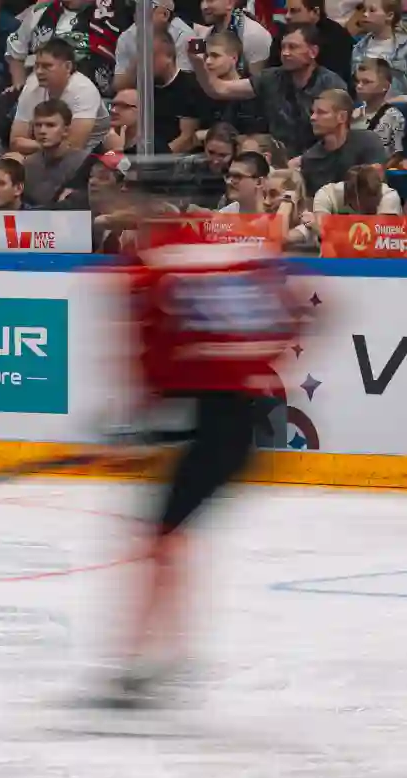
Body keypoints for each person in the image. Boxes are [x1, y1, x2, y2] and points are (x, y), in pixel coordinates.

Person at [87, 165, 304, 708]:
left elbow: (151, 362)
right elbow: (291, 315)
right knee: (165, 538)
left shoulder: (151, 270)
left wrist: (133, 425)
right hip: (240, 418)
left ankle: (148, 660)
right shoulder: (227, 254)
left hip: (221, 423)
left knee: (161, 538)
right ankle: (159, 656)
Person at [189, 23, 347, 157]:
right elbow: (218, 90)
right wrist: (197, 63)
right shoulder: (271, 77)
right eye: (283, 47)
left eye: (293, 47)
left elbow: (339, 134)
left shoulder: (331, 84)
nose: (285, 53)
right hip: (277, 160)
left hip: (319, 160)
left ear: (313, 52)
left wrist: (304, 161)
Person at [113, 0, 193, 93]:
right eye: (136, 8)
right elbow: (118, 85)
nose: (136, 14)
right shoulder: (127, 37)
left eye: (144, 9)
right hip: (138, 96)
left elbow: (184, 84)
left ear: (164, 15)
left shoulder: (185, 36)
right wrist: (137, 65)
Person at [267, 0, 352, 83]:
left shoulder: (337, 37)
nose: (287, 16)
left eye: (294, 11)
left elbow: (336, 78)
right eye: (286, 11)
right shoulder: (284, 33)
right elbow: (271, 69)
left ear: (315, 12)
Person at [350, 0, 407, 95]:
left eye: (372, 10)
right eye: (364, 10)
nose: (365, 14)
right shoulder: (358, 48)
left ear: (389, 16)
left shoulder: (404, 47)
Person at [353, 57, 404, 154]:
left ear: (385, 86)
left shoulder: (393, 117)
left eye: (366, 82)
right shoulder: (353, 114)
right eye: (357, 81)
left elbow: (397, 155)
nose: (359, 86)